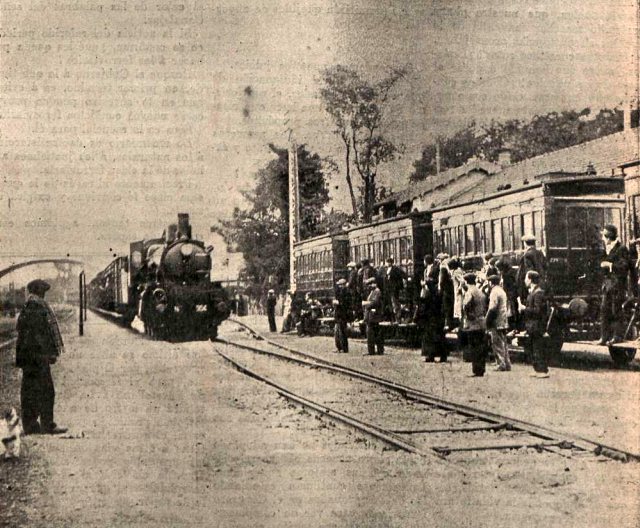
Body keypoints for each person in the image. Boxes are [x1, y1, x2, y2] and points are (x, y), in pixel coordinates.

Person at [15, 280, 68, 435]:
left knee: (29, 391)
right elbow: (39, 335)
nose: (45, 295)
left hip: (29, 357)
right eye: (44, 292)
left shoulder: (29, 305)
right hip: (36, 357)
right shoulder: (36, 306)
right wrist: (48, 354)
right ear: (39, 292)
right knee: (46, 390)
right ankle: (47, 425)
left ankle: (30, 425)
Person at [598, 224, 631, 345]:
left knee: (616, 310)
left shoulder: (621, 249)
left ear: (609, 237)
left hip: (617, 285)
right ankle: (604, 337)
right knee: (604, 310)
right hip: (607, 285)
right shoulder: (606, 248)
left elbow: (624, 267)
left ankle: (617, 336)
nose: (602, 238)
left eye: (604, 236)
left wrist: (610, 265)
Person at [518, 271, 550, 378]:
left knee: (537, 347)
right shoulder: (534, 292)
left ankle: (542, 370)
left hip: (536, 325)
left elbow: (537, 311)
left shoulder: (538, 293)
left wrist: (524, 309)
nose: (524, 280)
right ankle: (537, 369)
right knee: (532, 347)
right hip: (532, 325)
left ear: (531, 280)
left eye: (526, 278)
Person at [413, 271, 447, 362]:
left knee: (430, 338)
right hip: (439, 318)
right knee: (440, 337)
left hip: (431, 319)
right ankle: (443, 356)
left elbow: (424, 306)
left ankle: (431, 355)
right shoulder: (438, 293)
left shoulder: (428, 295)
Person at [461, 273, 487, 377]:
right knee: (481, 347)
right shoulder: (479, 291)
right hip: (481, 321)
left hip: (473, 324)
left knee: (474, 347)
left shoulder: (469, 292)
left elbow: (466, 306)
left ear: (466, 282)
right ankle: (481, 369)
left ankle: (476, 370)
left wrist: (468, 316)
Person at [485, 274, 511, 371]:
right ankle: (507, 363)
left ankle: (501, 364)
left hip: (497, 321)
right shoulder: (502, 291)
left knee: (497, 343)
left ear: (491, 283)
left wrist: (487, 320)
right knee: (504, 343)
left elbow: (492, 308)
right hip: (503, 320)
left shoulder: (494, 292)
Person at [516, 234, 547, 301]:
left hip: (532, 282)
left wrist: (529, 285)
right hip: (541, 281)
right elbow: (545, 266)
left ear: (525, 244)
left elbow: (529, 271)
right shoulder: (540, 253)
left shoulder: (527, 255)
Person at [362, 277, 384, 355]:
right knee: (372, 333)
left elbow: (375, 302)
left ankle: (374, 351)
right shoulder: (373, 291)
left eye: (370, 284)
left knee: (371, 334)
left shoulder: (377, 292)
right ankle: (375, 350)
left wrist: (366, 304)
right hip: (371, 316)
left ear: (375, 284)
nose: (369, 286)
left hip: (374, 316)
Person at [332, 279, 351, 353]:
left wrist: (337, 302)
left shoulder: (346, 292)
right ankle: (339, 347)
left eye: (340, 285)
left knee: (342, 332)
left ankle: (343, 348)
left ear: (343, 285)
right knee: (337, 332)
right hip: (339, 315)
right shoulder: (341, 292)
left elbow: (344, 303)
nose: (339, 286)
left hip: (342, 315)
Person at [384, 258, 406, 323]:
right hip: (388, 289)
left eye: (388, 262)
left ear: (391, 263)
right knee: (391, 304)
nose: (387, 263)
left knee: (395, 303)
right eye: (387, 262)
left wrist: (398, 285)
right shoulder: (387, 270)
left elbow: (403, 275)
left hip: (394, 289)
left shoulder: (395, 269)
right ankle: (393, 319)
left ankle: (398, 319)